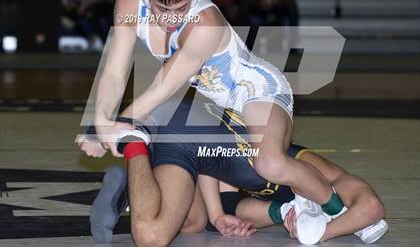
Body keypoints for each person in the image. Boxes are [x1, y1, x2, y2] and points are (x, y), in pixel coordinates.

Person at [83, 0, 346, 229]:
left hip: (255, 91)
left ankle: (338, 210)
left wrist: (117, 125)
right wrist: (100, 122)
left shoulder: (204, 21)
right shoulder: (128, 6)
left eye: (181, 9)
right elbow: (114, 71)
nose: (172, 19)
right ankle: (132, 190)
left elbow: (166, 85)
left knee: (269, 164)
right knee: (198, 219)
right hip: (216, 107)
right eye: (162, 10)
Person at [80, 97, 388, 245]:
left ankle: (128, 191)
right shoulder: (323, 174)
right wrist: (323, 231)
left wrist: (282, 215)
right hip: (195, 140)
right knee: (154, 236)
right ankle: (135, 149)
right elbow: (372, 207)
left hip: (206, 155)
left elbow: (231, 199)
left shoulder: (290, 201)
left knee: (193, 223)